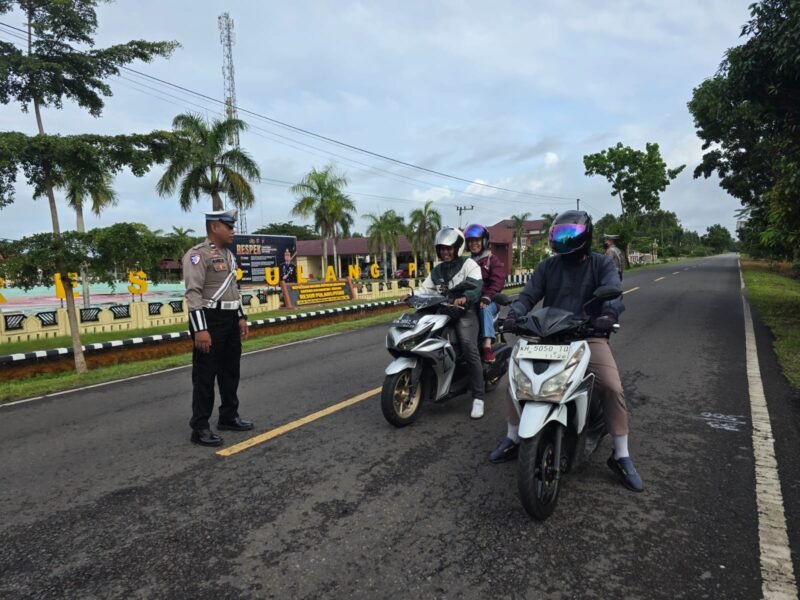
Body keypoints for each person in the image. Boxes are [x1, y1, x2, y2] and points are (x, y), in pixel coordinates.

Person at [490, 210, 644, 492]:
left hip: (587, 335)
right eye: (560, 234)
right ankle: (513, 437)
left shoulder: (601, 264)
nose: (564, 240)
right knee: (514, 380)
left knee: (611, 386)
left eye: (570, 234)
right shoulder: (547, 266)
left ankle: (621, 454)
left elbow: (612, 292)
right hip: (547, 335)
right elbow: (528, 296)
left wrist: (608, 315)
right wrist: (514, 315)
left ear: (586, 236)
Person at [182, 209, 254, 447]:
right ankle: (200, 427)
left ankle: (229, 416)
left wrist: (240, 317)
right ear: (215, 227)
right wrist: (200, 330)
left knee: (230, 371)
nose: (233, 231)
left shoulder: (228, 255)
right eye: (229, 226)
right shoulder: (197, 255)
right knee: (205, 375)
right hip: (209, 320)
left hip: (230, 319)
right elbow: (193, 293)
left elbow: (233, 288)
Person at [416, 227, 487, 419]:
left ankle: (478, 397)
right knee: (429, 340)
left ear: (457, 248)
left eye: (449, 248)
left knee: (469, 347)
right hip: (444, 311)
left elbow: (476, 287)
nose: (445, 252)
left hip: (465, 312)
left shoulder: (469, 264)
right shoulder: (437, 270)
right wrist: (411, 295)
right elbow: (425, 289)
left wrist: (465, 297)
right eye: (442, 248)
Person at [463, 223, 507, 363]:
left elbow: (498, 281)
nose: (473, 244)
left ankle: (487, 346)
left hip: (490, 301)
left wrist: (487, 296)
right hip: (471, 300)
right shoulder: (466, 262)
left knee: (485, 308)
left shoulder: (491, 259)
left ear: (484, 241)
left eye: (476, 240)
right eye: (470, 241)